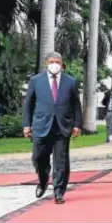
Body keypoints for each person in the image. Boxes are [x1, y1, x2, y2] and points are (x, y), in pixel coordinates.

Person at [22, 51, 82, 204]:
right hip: (41, 126)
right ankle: (43, 181)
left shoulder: (71, 81)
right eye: (51, 62)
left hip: (62, 127)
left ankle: (59, 192)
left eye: (57, 62)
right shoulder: (36, 80)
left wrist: (76, 125)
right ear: (46, 64)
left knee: (61, 161)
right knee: (38, 157)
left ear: (61, 64)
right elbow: (28, 104)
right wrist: (26, 125)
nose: (55, 65)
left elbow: (76, 105)